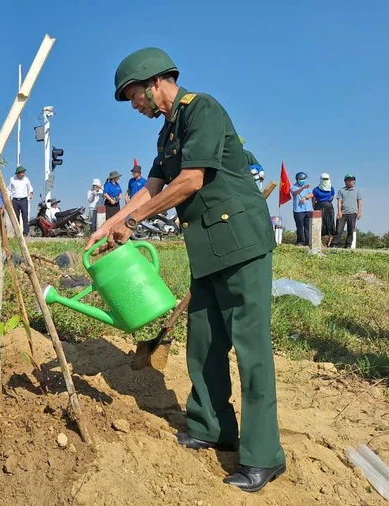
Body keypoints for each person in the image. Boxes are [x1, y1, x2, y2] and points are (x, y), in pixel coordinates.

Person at [91, 47, 286, 492]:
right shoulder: (167, 134)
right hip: (208, 250)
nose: (134, 104)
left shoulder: (203, 110)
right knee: (204, 343)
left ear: (154, 82)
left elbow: (191, 180)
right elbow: (152, 187)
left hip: (241, 245)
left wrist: (135, 222)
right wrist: (110, 225)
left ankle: (263, 456)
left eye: (133, 95)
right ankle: (211, 427)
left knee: (250, 350)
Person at [332, 174, 362, 248]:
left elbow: (359, 202)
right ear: (345, 181)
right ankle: (334, 244)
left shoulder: (357, 191)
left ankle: (348, 245)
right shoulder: (341, 191)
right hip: (343, 213)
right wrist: (339, 212)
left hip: (352, 213)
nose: (350, 182)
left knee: (350, 230)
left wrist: (359, 212)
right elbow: (339, 201)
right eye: (348, 180)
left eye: (352, 180)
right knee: (339, 229)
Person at [312, 173, 336, 245]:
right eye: (324, 179)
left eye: (326, 179)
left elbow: (332, 196)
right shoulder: (316, 189)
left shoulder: (331, 188)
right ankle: (320, 241)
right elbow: (313, 200)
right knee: (320, 223)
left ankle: (330, 242)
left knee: (330, 223)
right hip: (319, 206)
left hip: (328, 207)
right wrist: (314, 208)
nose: (325, 180)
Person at [7, 166, 33, 235]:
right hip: (15, 200)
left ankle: (26, 232)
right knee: (16, 216)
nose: (23, 174)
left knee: (25, 216)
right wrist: (9, 198)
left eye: (24, 173)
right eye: (22, 173)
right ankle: (17, 232)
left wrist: (30, 193)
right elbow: (9, 190)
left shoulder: (26, 179)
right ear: (18, 173)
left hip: (23, 200)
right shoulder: (12, 179)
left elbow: (30, 188)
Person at [290, 171, 314, 246]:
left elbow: (311, 194)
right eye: (301, 179)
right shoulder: (293, 187)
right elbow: (295, 193)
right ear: (297, 180)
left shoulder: (307, 187)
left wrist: (305, 197)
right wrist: (303, 188)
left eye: (304, 179)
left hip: (307, 209)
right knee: (300, 226)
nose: (303, 180)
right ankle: (300, 241)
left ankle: (308, 241)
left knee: (307, 226)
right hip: (298, 210)